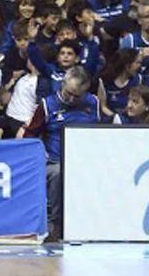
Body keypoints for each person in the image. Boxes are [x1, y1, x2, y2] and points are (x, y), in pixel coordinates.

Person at [23, 65, 99, 240]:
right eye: (68, 93)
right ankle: (54, 224)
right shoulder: (47, 105)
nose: (71, 99)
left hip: (85, 160)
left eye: (77, 96)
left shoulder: (93, 103)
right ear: (62, 84)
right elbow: (30, 135)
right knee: (58, 174)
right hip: (55, 160)